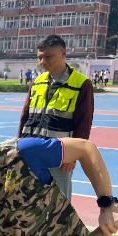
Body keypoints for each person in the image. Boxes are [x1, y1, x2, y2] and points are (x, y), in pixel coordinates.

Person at [17, 35, 94, 200]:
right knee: (28, 201)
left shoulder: (81, 84)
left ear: (63, 53)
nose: (43, 61)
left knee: (59, 204)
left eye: (48, 56)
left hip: (58, 156)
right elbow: (25, 116)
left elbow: (83, 123)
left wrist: (73, 155)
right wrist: (18, 146)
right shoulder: (37, 81)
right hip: (31, 152)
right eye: (40, 57)